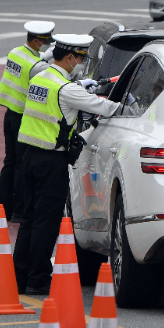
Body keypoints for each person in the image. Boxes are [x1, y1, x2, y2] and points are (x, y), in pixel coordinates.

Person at [13, 34, 120, 295]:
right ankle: (38, 278)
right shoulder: (67, 89)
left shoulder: (41, 78)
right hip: (50, 161)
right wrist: (124, 103)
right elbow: (106, 108)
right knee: (46, 222)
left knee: (29, 219)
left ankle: (20, 276)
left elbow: (60, 98)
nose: (82, 63)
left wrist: (80, 85)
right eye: (81, 58)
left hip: (27, 157)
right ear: (70, 57)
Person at [0, 21, 56, 224]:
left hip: (10, 113)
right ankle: (19, 211)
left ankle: (4, 207)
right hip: (23, 118)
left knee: (9, 162)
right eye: (45, 42)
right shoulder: (35, 65)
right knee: (22, 165)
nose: (46, 46)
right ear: (37, 41)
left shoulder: (14, 53)